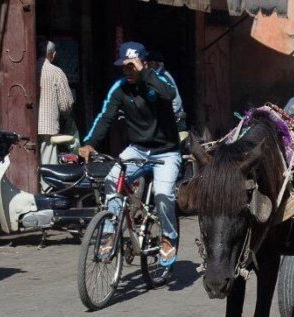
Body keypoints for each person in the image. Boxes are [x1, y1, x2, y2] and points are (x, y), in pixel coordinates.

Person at [79, 41, 181, 276]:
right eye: (124, 67)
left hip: (166, 151)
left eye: (132, 66)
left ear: (144, 63)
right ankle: (109, 232)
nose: (128, 71)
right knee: (111, 180)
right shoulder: (120, 89)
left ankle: (168, 237)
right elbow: (105, 117)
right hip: (137, 149)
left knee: (164, 194)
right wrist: (89, 144)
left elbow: (170, 94)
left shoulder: (158, 81)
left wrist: (144, 73)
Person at [37, 40, 74, 166]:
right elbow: (66, 105)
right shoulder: (56, 72)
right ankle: (45, 186)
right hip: (47, 127)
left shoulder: (28, 70)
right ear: (53, 54)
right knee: (47, 166)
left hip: (27, 127)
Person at [146, 50, 188, 137]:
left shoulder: (162, 77)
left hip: (175, 120)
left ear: (156, 63)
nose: (147, 66)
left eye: (149, 63)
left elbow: (176, 102)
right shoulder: (160, 76)